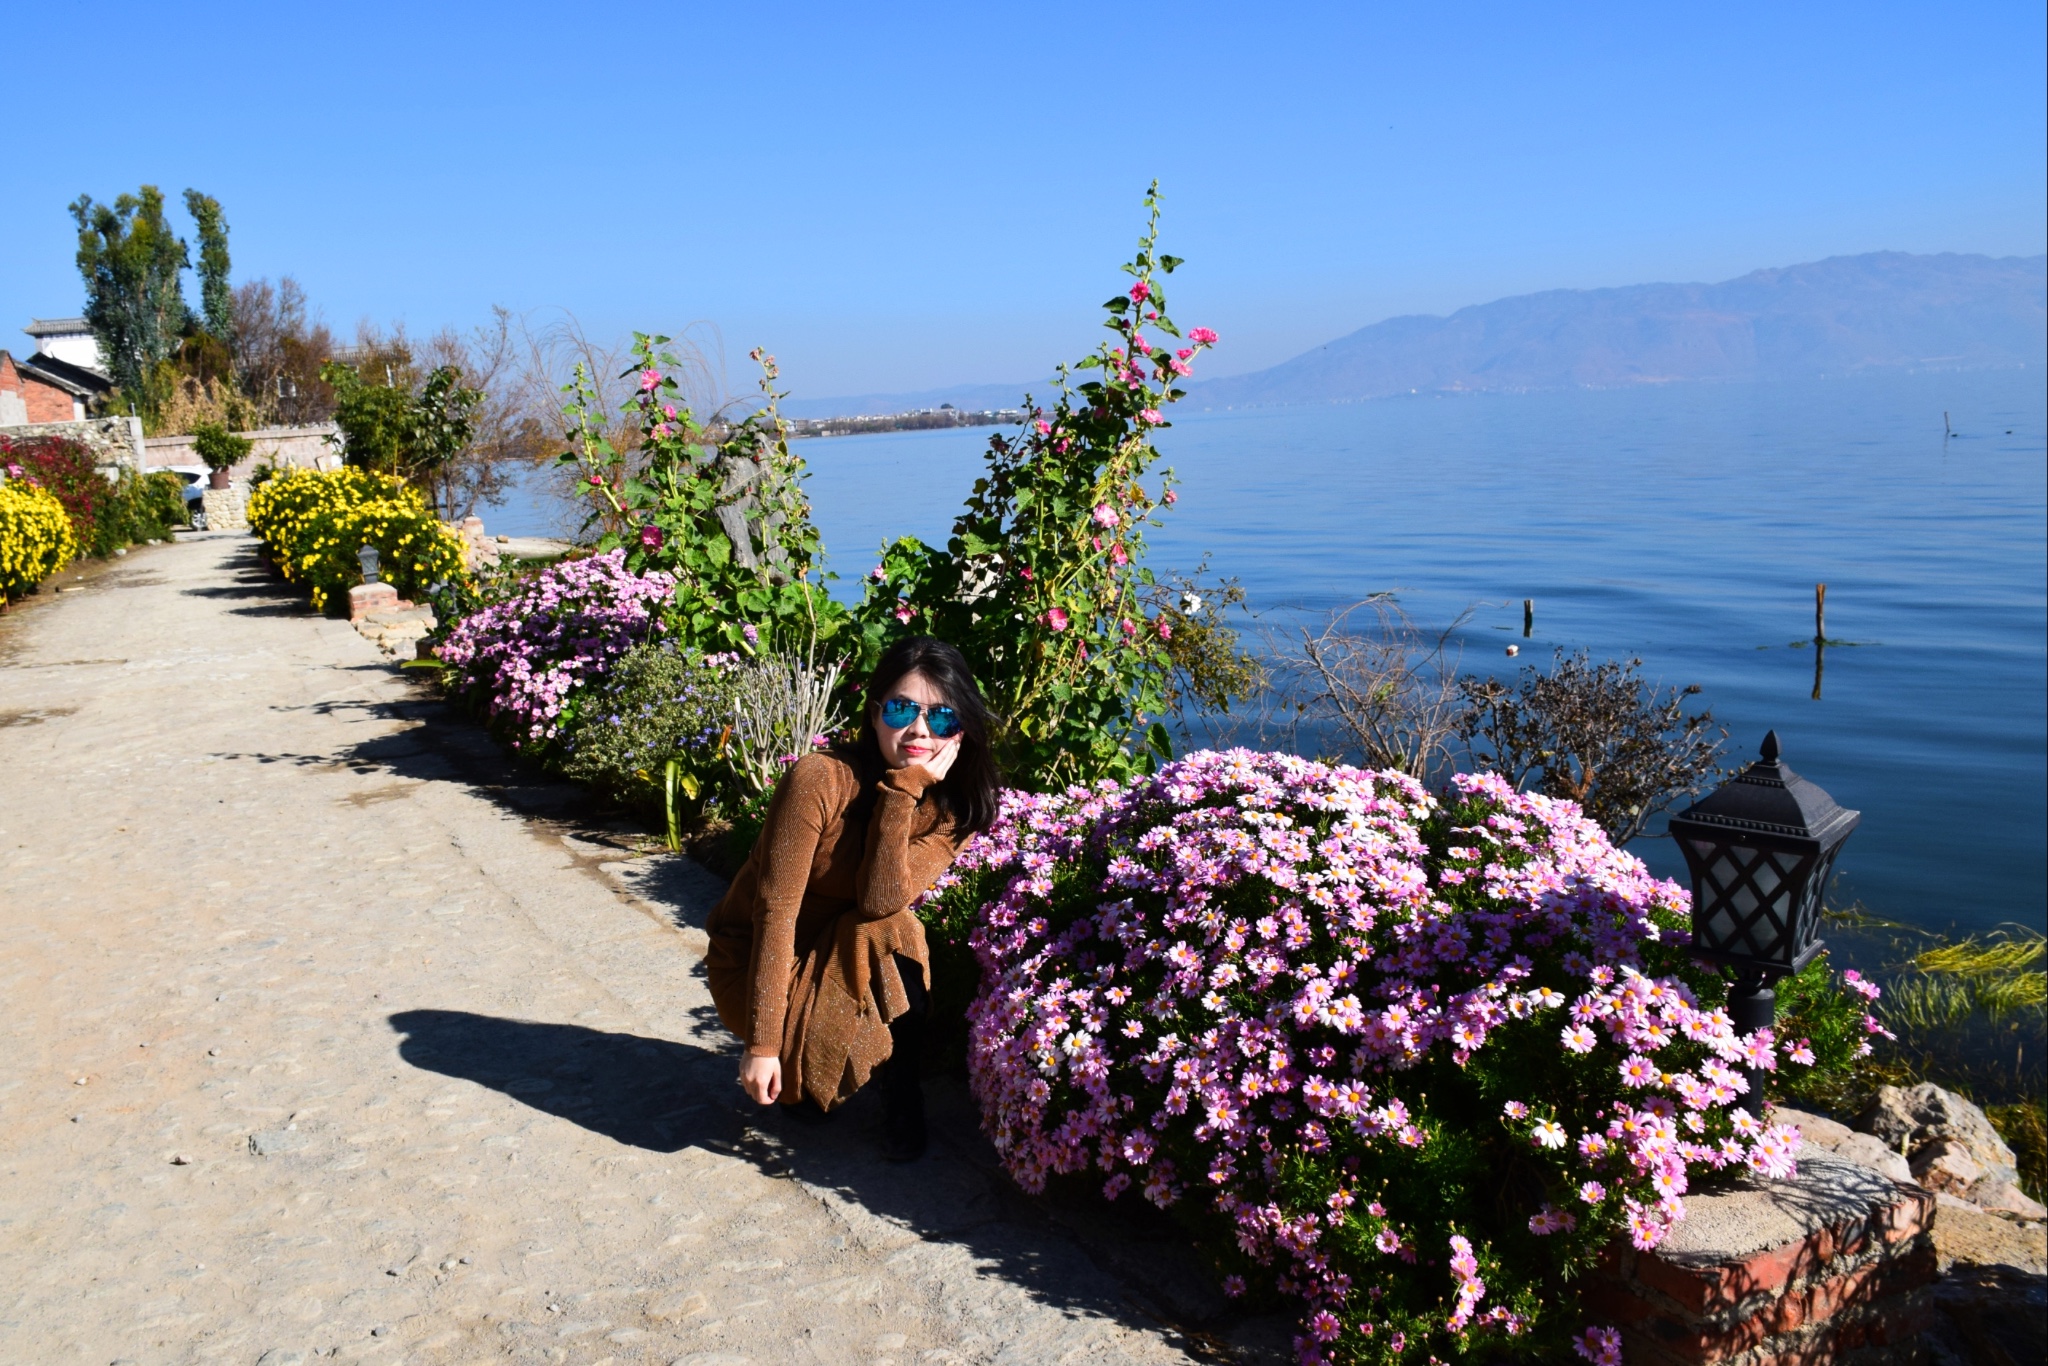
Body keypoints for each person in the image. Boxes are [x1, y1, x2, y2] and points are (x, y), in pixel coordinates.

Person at [704, 637, 999, 1160]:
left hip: (850, 948)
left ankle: (900, 1088)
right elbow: (774, 914)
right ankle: (801, 1062)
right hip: (757, 962)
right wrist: (763, 1045)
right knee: (879, 935)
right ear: (874, 713)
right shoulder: (820, 778)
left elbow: (880, 899)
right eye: (902, 708)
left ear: (962, 730)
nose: (919, 731)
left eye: (943, 717)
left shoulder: (956, 811)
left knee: (894, 928)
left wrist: (903, 791)